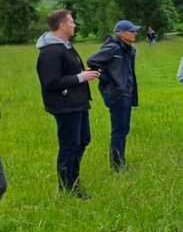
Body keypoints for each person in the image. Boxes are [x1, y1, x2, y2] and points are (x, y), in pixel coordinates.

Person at [36, 10, 99, 197]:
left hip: (78, 102)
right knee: (69, 145)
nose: (74, 24)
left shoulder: (66, 46)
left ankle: (73, 178)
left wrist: (84, 73)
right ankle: (68, 186)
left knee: (83, 139)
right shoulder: (50, 52)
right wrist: (81, 77)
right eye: (71, 21)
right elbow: (51, 82)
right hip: (65, 105)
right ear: (62, 25)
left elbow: (70, 72)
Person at [87, 20, 140, 171]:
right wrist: (108, 80)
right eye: (132, 31)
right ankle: (117, 165)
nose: (135, 33)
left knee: (124, 129)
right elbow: (92, 61)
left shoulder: (129, 50)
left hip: (127, 93)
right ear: (122, 33)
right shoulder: (113, 48)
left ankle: (120, 160)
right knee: (118, 130)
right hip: (117, 93)